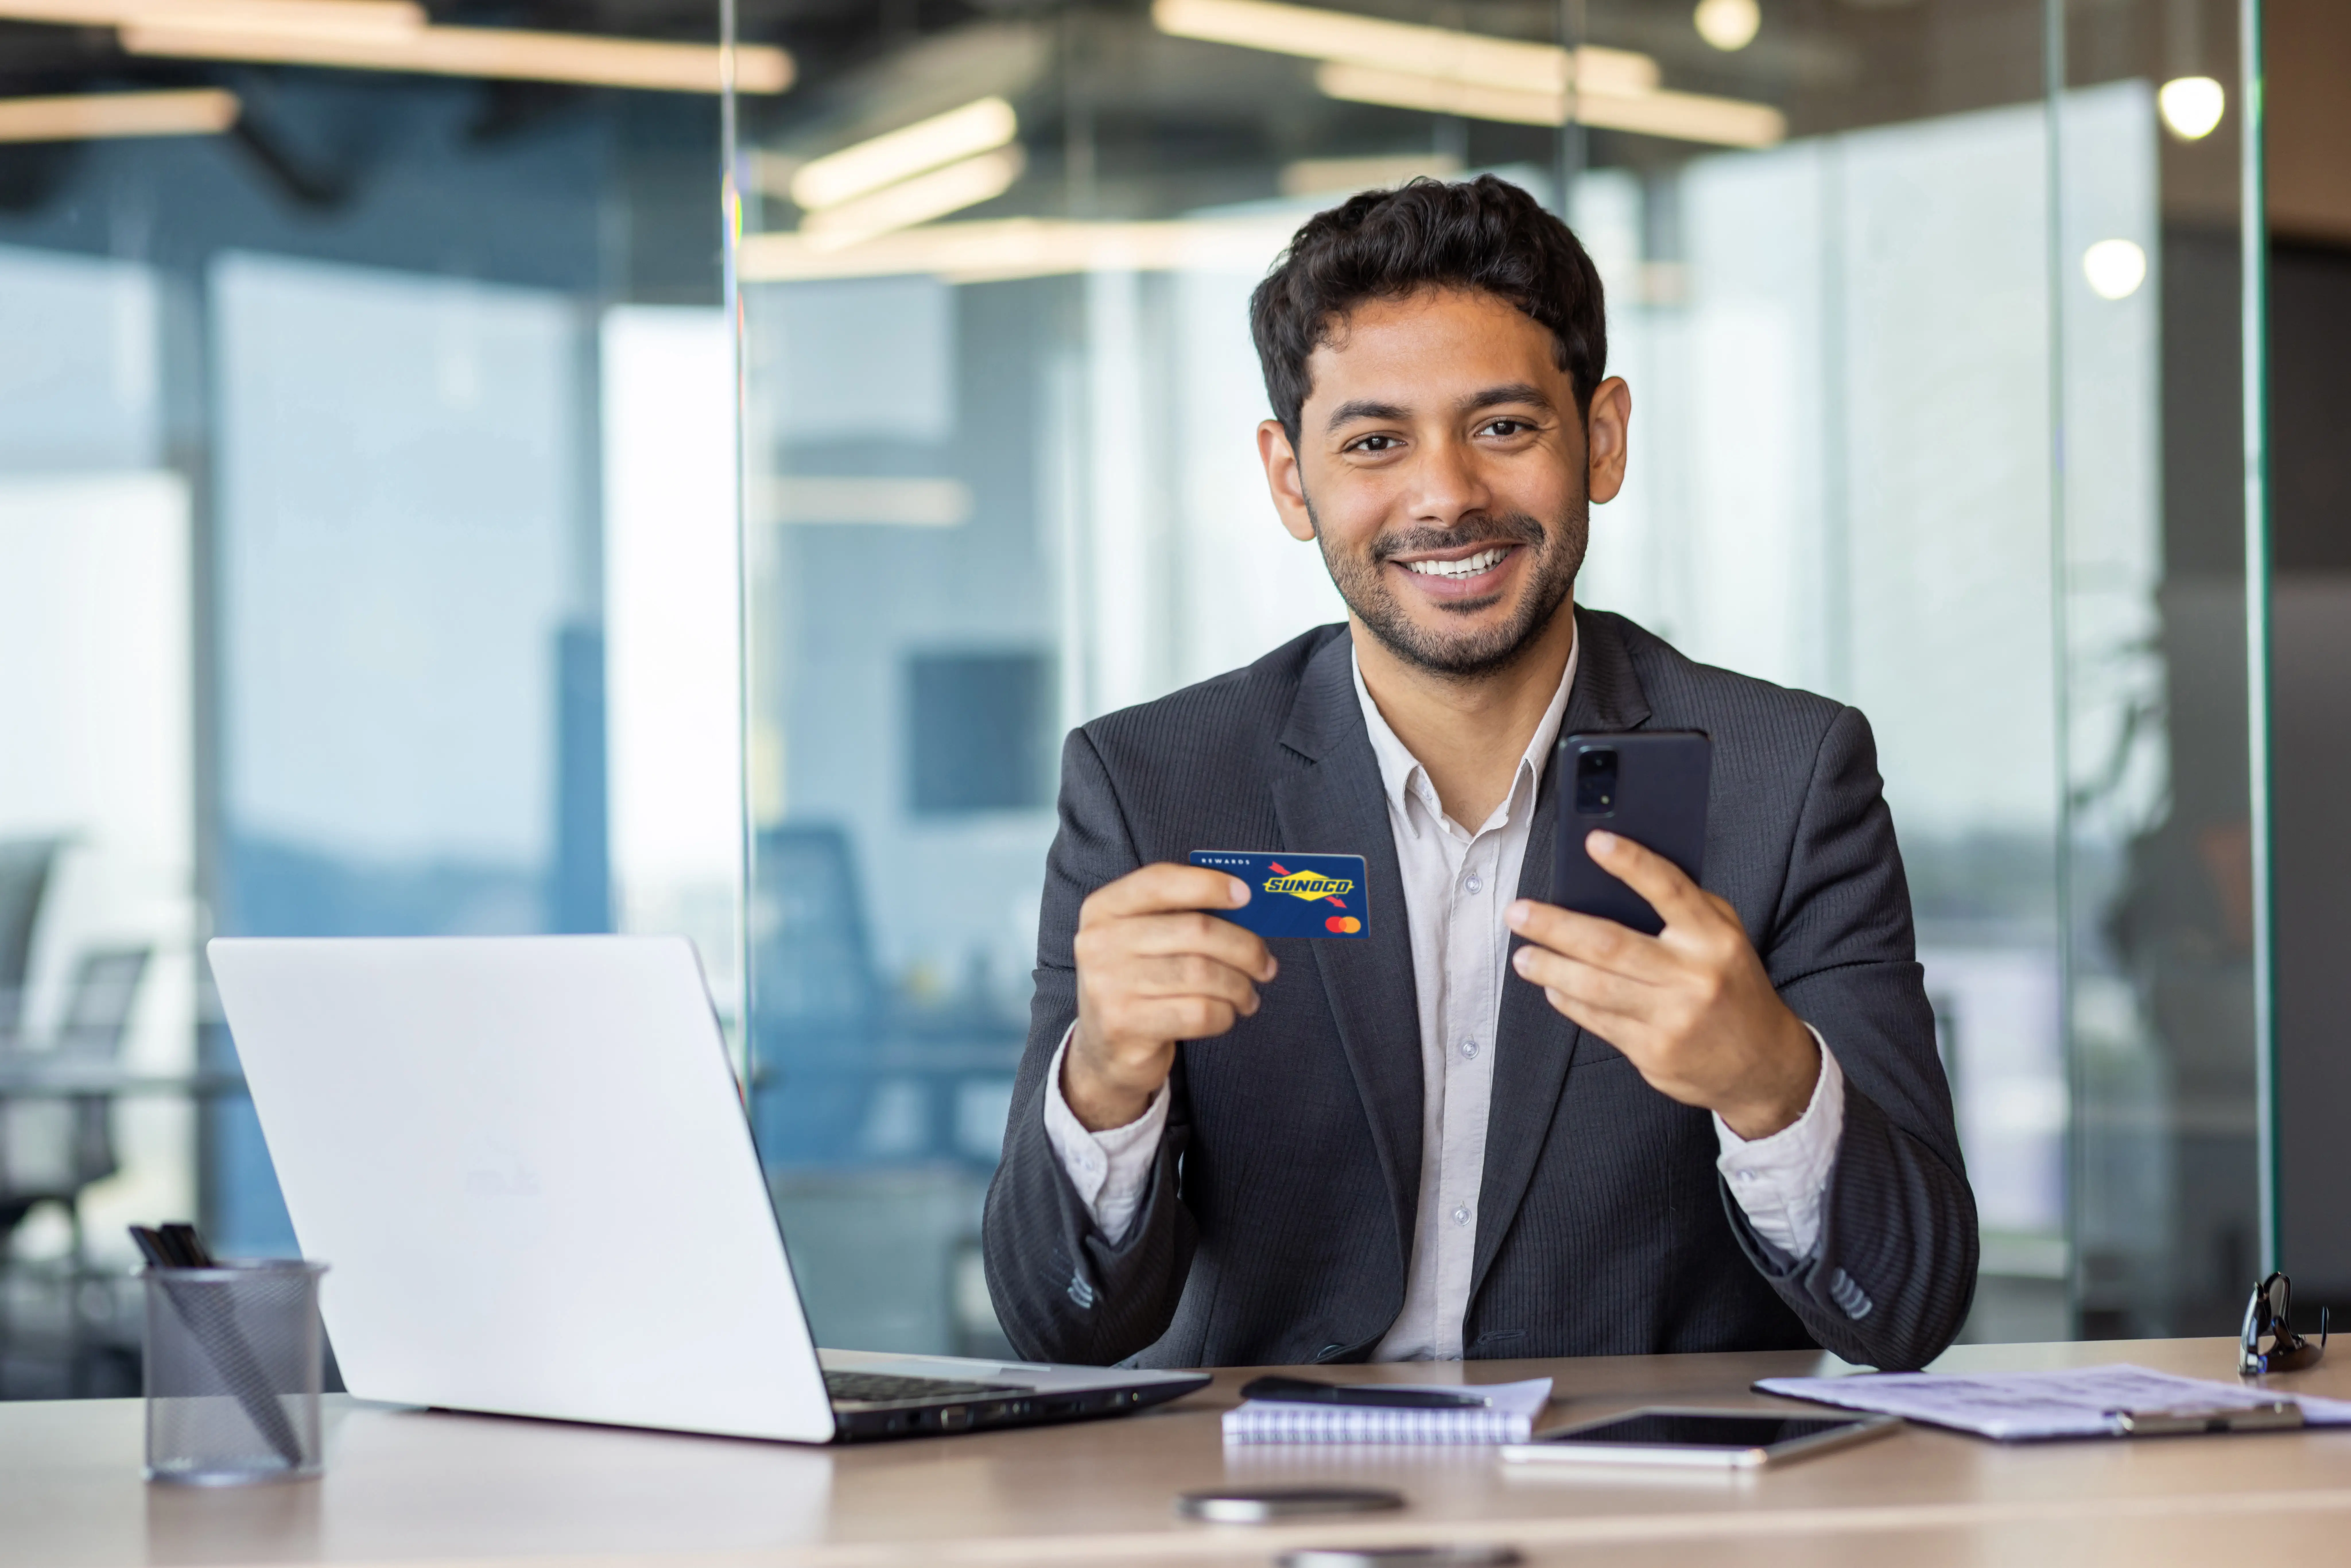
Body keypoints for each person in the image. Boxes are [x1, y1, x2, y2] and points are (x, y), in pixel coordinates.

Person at [981, 175, 1975, 1371]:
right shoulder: (1152, 785)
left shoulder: (1786, 778)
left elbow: (1910, 1306)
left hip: (1641, 1511)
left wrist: (1769, 1083)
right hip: (1273, 1510)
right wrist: (1104, 1079)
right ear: (1291, 478)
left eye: (1502, 427)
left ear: (1598, 439)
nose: (1445, 495)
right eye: (1373, 442)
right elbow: (1057, 1322)